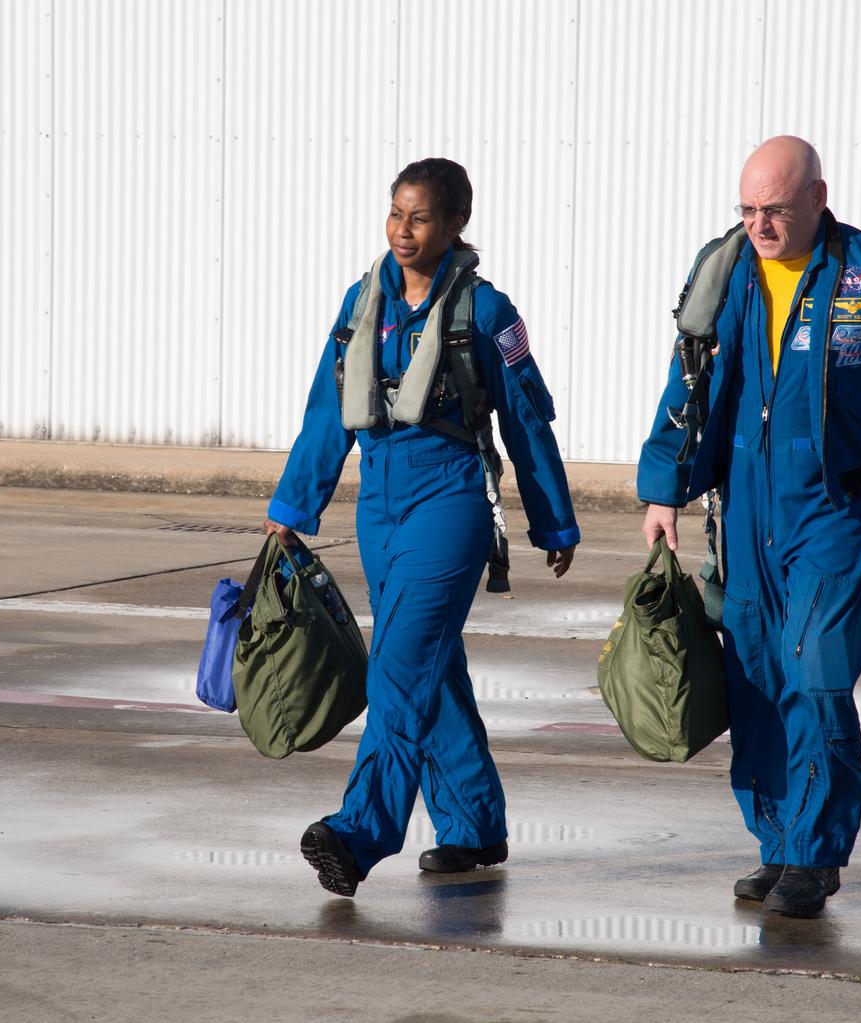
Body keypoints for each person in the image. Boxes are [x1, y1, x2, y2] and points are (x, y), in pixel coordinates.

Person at [638, 136, 861, 917]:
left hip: (835, 504)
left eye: (776, 210)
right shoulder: (721, 271)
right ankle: (780, 842)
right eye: (748, 210)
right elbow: (686, 383)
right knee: (756, 672)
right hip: (745, 503)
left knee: (815, 667)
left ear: (818, 198)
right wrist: (665, 489)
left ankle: (817, 854)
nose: (759, 225)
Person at [265, 157, 580, 897]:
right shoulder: (361, 300)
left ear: (455, 225)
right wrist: (292, 505)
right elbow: (326, 407)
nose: (403, 231)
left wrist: (553, 521)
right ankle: (472, 825)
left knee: (399, 667)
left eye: (421, 217)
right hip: (379, 506)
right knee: (431, 667)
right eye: (396, 213)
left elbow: (527, 420)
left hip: (450, 503)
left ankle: (358, 831)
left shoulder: (486, 311)